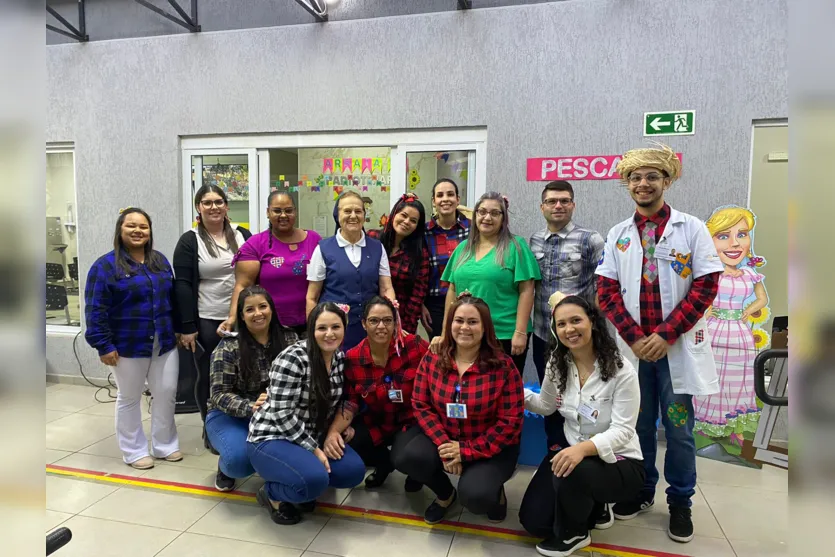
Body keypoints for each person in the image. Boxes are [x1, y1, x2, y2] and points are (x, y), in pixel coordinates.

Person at [595, 143, 723, 543]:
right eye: (635, 177)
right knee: (636, 427)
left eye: (652, 176)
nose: (643, 183)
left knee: (680, 429)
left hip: (675, 350)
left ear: (666, 181)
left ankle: (680, 502)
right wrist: (634, 338)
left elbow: (706, 285)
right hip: (634, 353)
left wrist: (666, 334)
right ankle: (641, 491)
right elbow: (606, 289)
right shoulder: (618, 234)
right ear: (627, 185)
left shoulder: (692, 228)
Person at [518, 293, 644, 557]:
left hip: (619, 460)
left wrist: (583, 449)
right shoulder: (557, 362)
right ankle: (594, 505)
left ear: (593, 322)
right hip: (573, 454)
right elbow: (546, 405)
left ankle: (575, 533)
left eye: (576, 320)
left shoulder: (622, 370)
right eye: (561, 324)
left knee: (575, 472)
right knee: (535, 522)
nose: (569, 329)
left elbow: (623, 431)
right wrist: (514, 391)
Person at [393, 294, 524, 525]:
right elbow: (421, 404)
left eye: (473, 322)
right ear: (449, 324)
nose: (464, 327)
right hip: (446, 436)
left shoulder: (503, 366)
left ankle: (496, 492)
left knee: (476, 497)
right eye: (458, 320)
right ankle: (445, 495)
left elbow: (510, 421)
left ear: (485, 328)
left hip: (490, 446)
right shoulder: (433, 357)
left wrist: (467, 451)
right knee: (408, 457)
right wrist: (446, 447)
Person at [247, 302, 366, 525]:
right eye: (322, 328)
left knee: (353, 472)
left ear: (344, 329)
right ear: (311, 330)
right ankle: (272, 493)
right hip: (274, 435)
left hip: (312, 433)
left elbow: (343, 401)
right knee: (313, 480)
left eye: (335, 327)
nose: (329, 334)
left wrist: (338, 429)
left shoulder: (340, 359)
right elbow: (281, 413)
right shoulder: (293, 357)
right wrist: (313, 449)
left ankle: (302, 482)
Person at [84, 208, 182, 470]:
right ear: (120, 230)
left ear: (150, 232)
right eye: (131, 226)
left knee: (166, 393)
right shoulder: (105, 266)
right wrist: (103, 345)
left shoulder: (159, 261)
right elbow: (95, 309)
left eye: (143, 227)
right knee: (129, 397)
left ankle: (165, 445)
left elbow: (171, 300)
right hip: (127, 345)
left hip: (163, 342)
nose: (138, 231)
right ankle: (134, 450)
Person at [529, 180, 604, 450]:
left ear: (573, 204)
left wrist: (596, 331)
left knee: (581, 393)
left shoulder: (590, 239)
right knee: (551, 396)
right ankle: (555, 451)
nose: (558, 205)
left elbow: (602, 287)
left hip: (578, 337)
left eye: (564, 200)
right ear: (542, 207)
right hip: (543, 333)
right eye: (551, 201)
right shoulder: (534, 240)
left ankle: (582, 450)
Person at [173, 184, 252, 439]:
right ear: (199, 207)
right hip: (207, 317)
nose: (213, 207)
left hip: (243, 318)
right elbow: (183, 285)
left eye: (218, 202)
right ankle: (211, 428)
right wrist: (187, 326)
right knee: (208, 375)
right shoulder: (190, 240)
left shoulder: (242, 235)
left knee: (243, 374)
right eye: (207, 202)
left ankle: (239, 425)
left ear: (226, 206)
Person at [431, 192, 540, 374]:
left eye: (494, 213)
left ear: (503, 218)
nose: (487, 217)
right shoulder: (462, 249)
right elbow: (452, 290)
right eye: (482, 212)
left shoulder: (516, 246)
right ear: (475, 216)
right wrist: (445, 332)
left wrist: (520, 332)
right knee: (472, 388)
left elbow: (527, 290)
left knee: (504, 392)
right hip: (467, 334)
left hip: (504, 334)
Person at [205, 286, 297, 491]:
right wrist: (250, 407)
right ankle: (225, 464)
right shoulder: (228, 347)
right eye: (250, 310)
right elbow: (219, 395)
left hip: (277, 412)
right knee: (240, 462)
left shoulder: (290, 339)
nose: (258, 313)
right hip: (231, 414)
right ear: (242, 316)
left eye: (263, 306)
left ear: (272, 309)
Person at [694, 206, 770, 447]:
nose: (734, 244)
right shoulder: (710, 273)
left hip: (740, 334)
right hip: (714, 330)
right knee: (712, 377)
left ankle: (734, 428)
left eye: (742, 234)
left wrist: (746, 311)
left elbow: (763, 299)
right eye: (723, 236)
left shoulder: (750, 274)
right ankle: (706, 428)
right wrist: (703, 318)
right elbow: (699, 301)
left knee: (740, 380)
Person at [343, 296, 429, 490]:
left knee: (407, 458)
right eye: (374, 320)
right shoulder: (353, 357)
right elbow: (351, 399)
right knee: (348, 438)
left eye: (387, 320)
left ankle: (416, 472)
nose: (381, 326)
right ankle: (384, 464)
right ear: (364, 324)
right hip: (378, 421)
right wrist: (342, 427)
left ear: (395, 322)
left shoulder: (414, 345)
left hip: (411, 422)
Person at [219, 192, 321, 338]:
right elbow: (242, 286)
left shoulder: (313, 239)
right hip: (269, 327)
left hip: (310, 324)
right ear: (268, 212)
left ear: (295, 212)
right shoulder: (255, 245)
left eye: (289, 210)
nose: (284, 215)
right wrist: (232, 318)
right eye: (277, 211)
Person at [306, 190, 396, 350]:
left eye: (358, 211)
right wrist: (314, 332)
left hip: (370, 328)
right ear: (337, 215)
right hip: (333, 331)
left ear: (364, 214)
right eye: (347, 211)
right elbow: (312, 297)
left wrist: (391, 320)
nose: (353, 216)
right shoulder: (323, 249)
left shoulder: (377, 247)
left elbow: (386, 288)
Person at [367, 193, 430, 335]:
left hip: (399, 320)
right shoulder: (372, 239)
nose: (407, 222)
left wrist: (404, 329)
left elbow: (417, 297)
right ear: (394, 214)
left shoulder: (420, 254)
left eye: (413, 221)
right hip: (367, 316)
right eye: (403, 215)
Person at [421, 179, 471, 339]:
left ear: (458, 199)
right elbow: (417, 272)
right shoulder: (423, 233)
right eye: (440, 195)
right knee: (440, 349)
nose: (445, 199)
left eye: (450, 194)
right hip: (435, 303)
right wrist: (420, 305)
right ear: (433, 201)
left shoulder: (473, 229)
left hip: (468, 299)